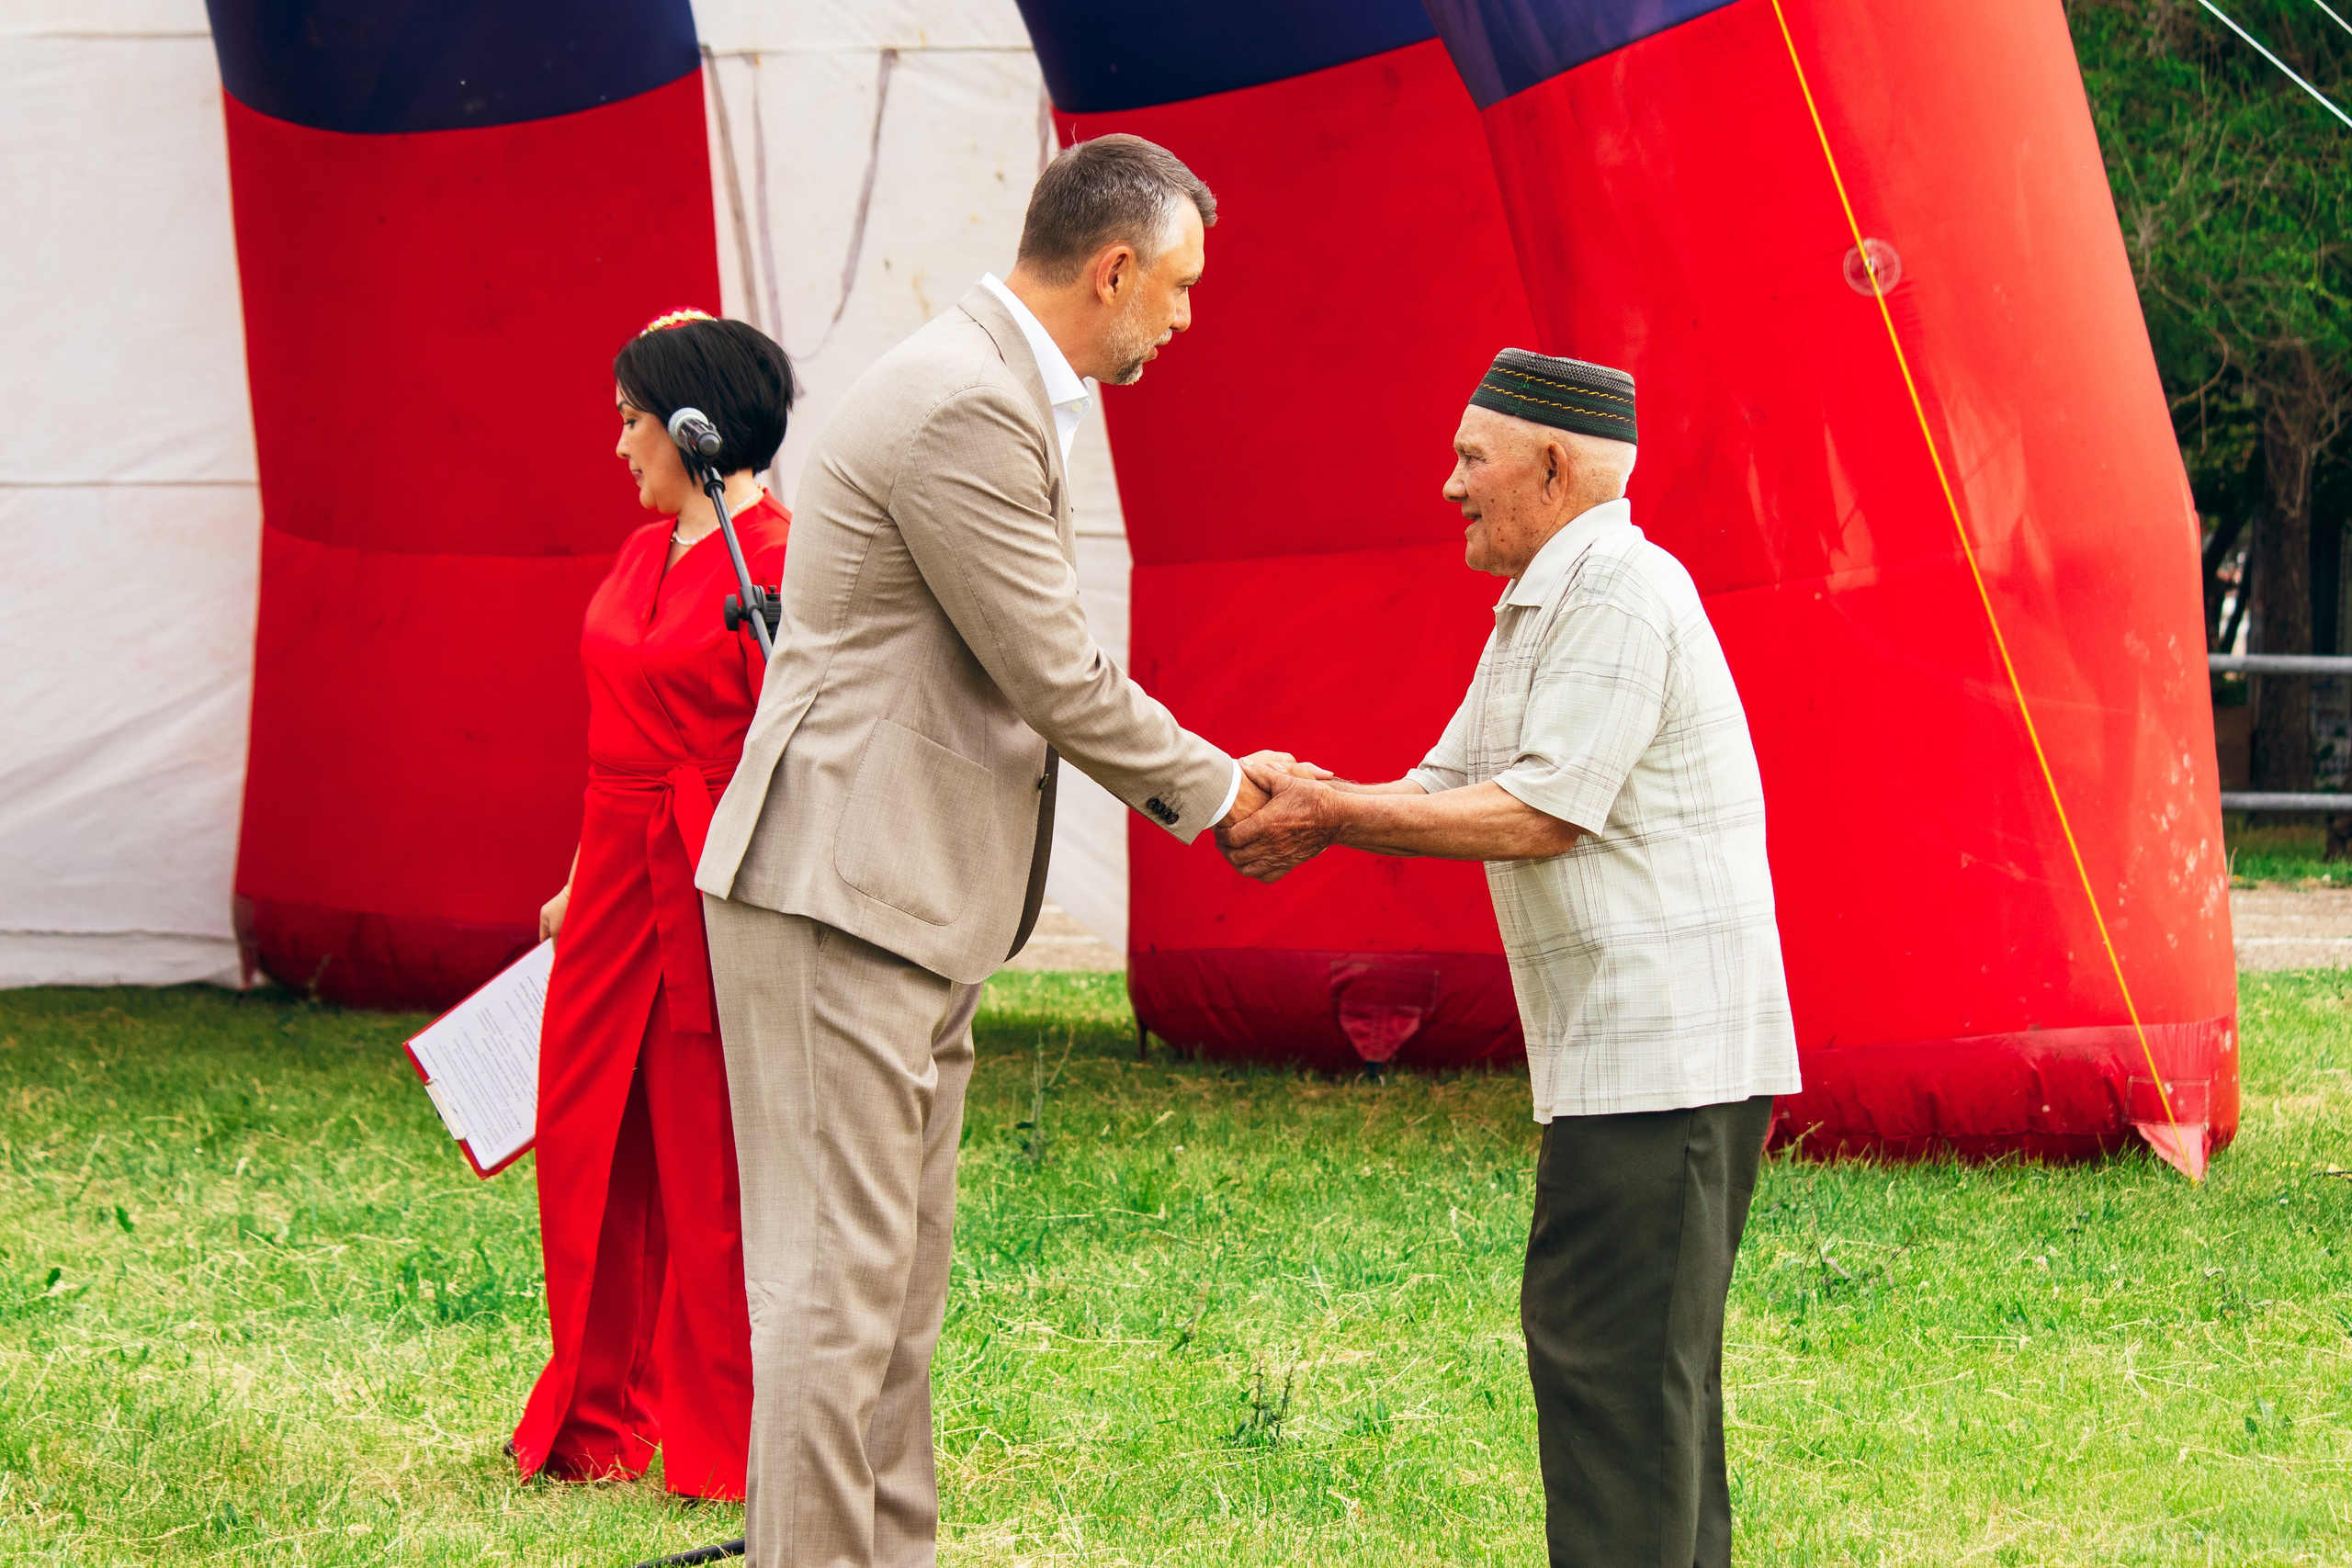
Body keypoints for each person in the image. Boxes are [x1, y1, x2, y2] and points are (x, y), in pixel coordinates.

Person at [693, 136, 1309, 1567]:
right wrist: (1225, 797)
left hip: (902, 897)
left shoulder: (994, 382)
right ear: (1114, 270)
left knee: (892, 1305)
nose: (1186, 318)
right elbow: (1054, 672)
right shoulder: (966, 401)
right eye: (1181, 286)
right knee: (836, 1301)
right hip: (842, 894)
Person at [1223, 349, 1803, 1568]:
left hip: (1668, 1060)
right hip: (1638, 1057)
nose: (1449, 486)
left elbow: (1543, 813)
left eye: (1468, 459)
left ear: (1551, 467)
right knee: (1640, 1376)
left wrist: (1329, 813)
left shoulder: (1619, 593)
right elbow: (1449, 782)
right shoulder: (1553, 596)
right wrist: (1313, 793)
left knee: (1615, 1370)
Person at [510, 309, 795, 1503]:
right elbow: (612, 737)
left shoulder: (777, 559)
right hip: (613, 872)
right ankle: (592, 1420)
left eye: (634, 420)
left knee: (706, 1164)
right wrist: (581, 878)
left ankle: (722, 1446)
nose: (620, 443)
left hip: (709, 876)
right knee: (586, 1141)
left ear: (696, 428)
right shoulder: (638, 554)